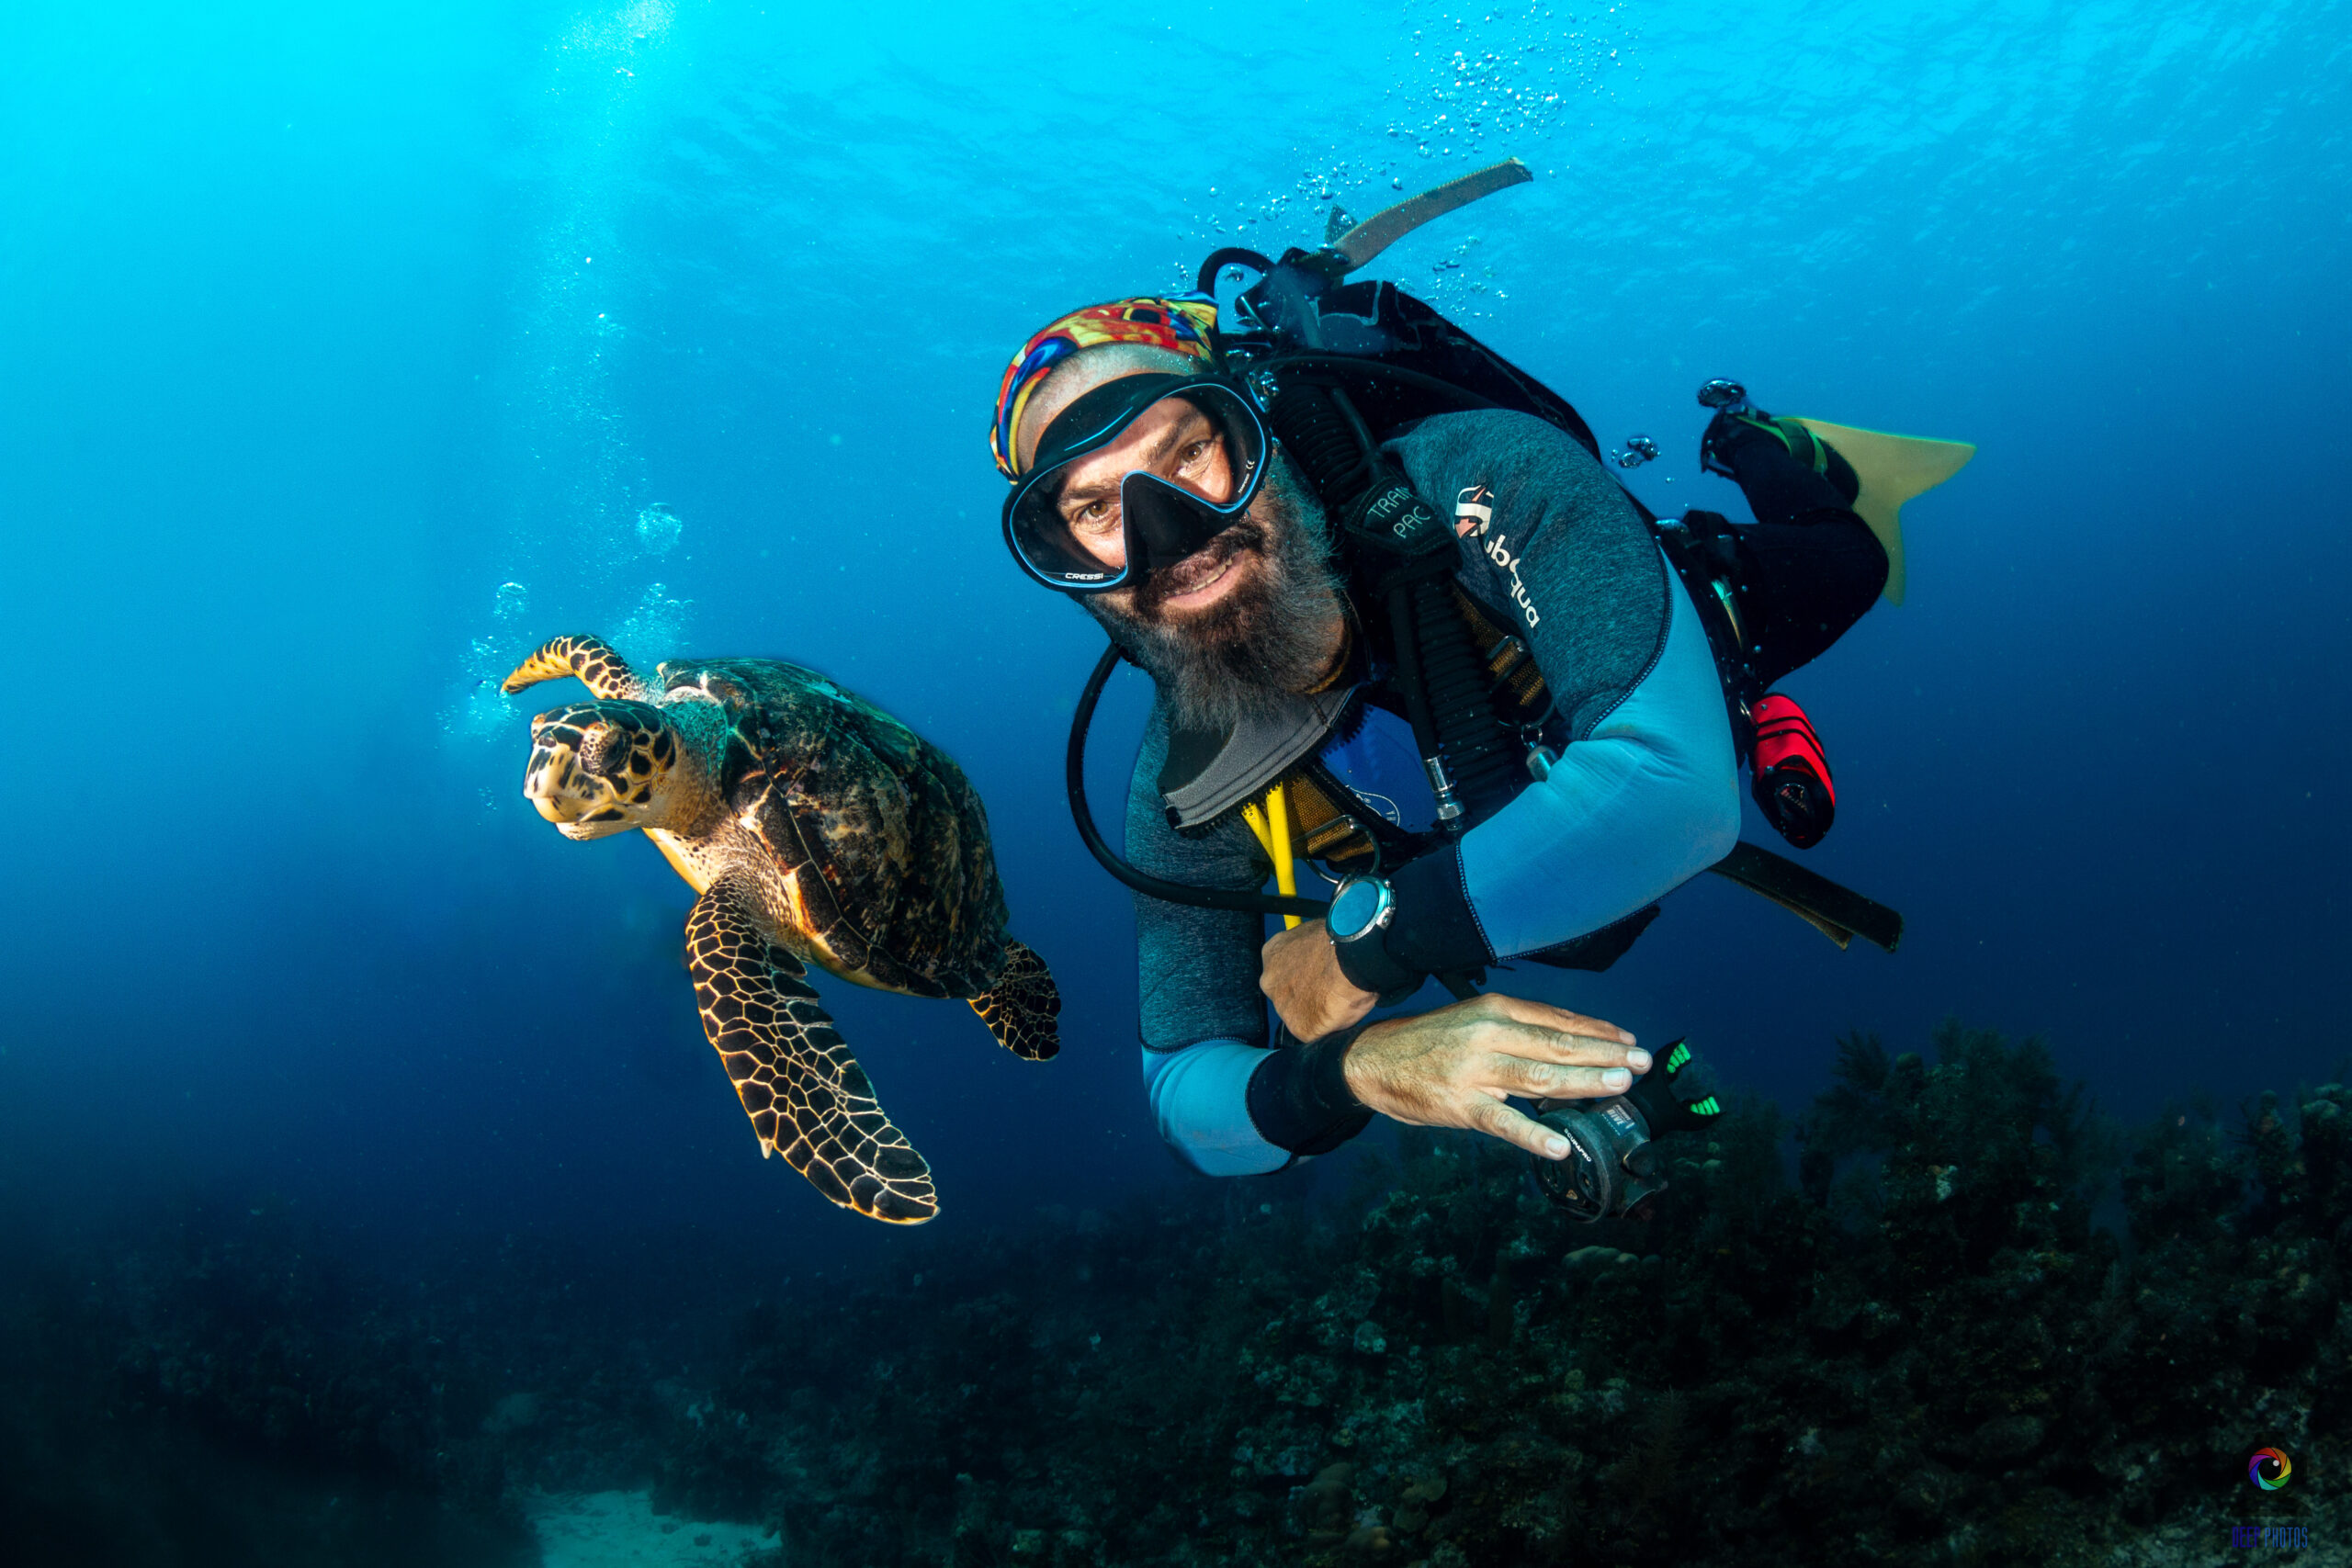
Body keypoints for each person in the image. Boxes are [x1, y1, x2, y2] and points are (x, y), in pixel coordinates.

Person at [987, 286, 1892, 1179]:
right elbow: (1185, 1095)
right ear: (1065, 566)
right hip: (1520, 845)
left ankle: (1750, 439)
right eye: (1095, 511)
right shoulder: (1186, 787)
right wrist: (1350, 1073)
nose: (1171, 537)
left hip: (1696, 620)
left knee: (1853, 559)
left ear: (1254, 431)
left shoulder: (1478, 474)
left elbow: (1680, 794)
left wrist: (1370, 944)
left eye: (1189, 451)